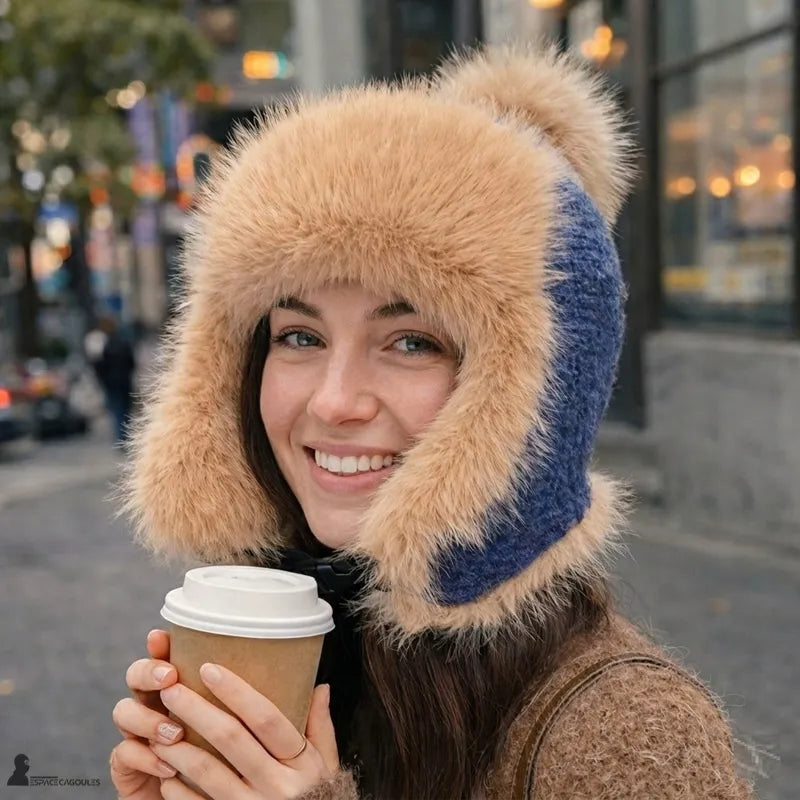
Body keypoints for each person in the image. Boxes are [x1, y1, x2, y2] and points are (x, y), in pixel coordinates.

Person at [110, 45, 755, 799]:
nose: (332, 401)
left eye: (411, 342)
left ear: (531, 399)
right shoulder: (293, 651)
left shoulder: (632, 730)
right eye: (299, 337)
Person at [85, 315, 136, 445]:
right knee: (125, 409)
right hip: (124, 381)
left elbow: (99, 365)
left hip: (111, 383)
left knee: (116, 409)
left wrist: (102, 379)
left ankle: (121, 437)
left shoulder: (104, 346)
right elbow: (131, 363)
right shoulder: (124, 343)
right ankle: (125, 435)